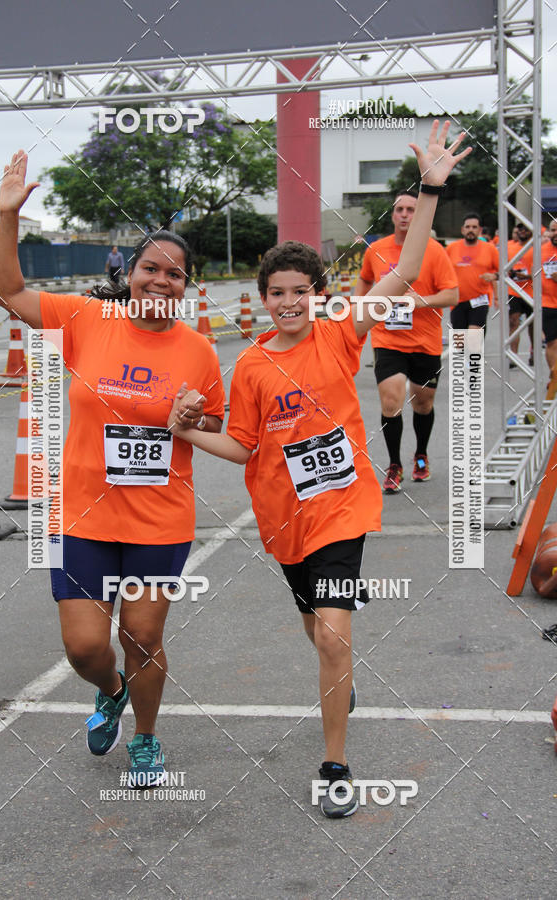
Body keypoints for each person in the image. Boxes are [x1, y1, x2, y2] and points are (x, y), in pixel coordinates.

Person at [167, 122, 470, 818]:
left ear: (319, 291)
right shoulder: (247, 365)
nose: (289, 302)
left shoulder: (341, 328)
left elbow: (400, 270)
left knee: (334, 634)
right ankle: (340, 675)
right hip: (284, 518)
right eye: (277, 293)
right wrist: (184, 432)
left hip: (344, 508)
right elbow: (242, 446)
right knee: (316, 627)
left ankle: (335, 763)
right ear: (264, 297)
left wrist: (427, 191)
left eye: (300, 290)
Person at [0, 151, 225, 785]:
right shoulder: (87, 318)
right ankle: (109, 689)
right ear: (132, 273)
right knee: (85, 647)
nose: (161, 281)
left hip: (158, 519)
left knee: (143, 635)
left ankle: (144, 738)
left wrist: (190, 418)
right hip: (82, 514)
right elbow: (9, 291)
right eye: (151, 268)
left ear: (186, 286)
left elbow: (214, 428)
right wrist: (9, 216)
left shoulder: (200, 351)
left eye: (175, 275)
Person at [355, 191, 458, 493]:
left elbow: (451, 295)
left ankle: (421, 455)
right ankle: (394, 465)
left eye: (411, 209)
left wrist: (420, 301)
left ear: (419, 215)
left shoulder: (434, 251)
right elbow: (364, 278)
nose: (404, 214)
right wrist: (361, 307)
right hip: (387, 338)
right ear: (393, 215)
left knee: (423, 402)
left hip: (425, 342)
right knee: (391, 399)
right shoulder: (376, 250)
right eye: (399, 209)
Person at [446, 213, 499, 332]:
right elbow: (442, 270)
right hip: (457, 301)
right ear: (462, 230)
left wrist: (495, 276)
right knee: (459, 346)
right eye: (468, 227)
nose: (471, 230)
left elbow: (505, 271)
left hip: (479, 300)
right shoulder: (451, 248)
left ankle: (474, 350)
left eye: (474, 227)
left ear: (480, 230)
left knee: (474, 340)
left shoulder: (490, 249)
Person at [522, 219, 557, 374]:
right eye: (552, 230)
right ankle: (554, 375)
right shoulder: (539, 252)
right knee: (552, 343)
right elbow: (532, 275)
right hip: (547, 304)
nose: (555, 234)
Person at [507, 223, 534, 366]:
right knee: (513, 322)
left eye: (526, 229)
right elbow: (503, 268)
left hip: (532, 292)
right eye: (520, 229)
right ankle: (513, 356)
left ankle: (533, 351)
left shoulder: (536, 249)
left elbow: (540, 272)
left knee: (533, 324)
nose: (523, 232)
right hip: (514, 291)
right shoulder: (510, 248)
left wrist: (526, 276)